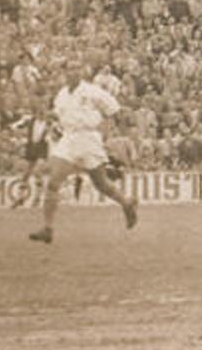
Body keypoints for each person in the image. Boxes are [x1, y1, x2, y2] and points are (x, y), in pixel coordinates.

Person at [28, 62, 138, 244]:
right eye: (69, 69)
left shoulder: (92, 91)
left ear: (81, 72)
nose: (73, 72)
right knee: (54, 181)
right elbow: (59, 115)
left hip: (88, 138)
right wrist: (49, 116)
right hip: (69, 138)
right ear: (64, 72)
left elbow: (114, 109)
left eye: (76, 68)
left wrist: (115, 133)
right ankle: (47, 228)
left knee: (101, 184)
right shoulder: (62, 95)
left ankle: (126, 203)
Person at [8, 100, 60, 210]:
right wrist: (17, 133)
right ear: (36, 112)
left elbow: (60, 134)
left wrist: (53, 135)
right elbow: (15, 126)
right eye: (39, 111)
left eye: (43, 111)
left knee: (37, 171)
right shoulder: (29, 120)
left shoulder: (50, 123)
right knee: (26, 173)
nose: (41, 114)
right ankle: (20, 197)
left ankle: (37, 197)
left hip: (42, 149)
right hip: (31, 148)